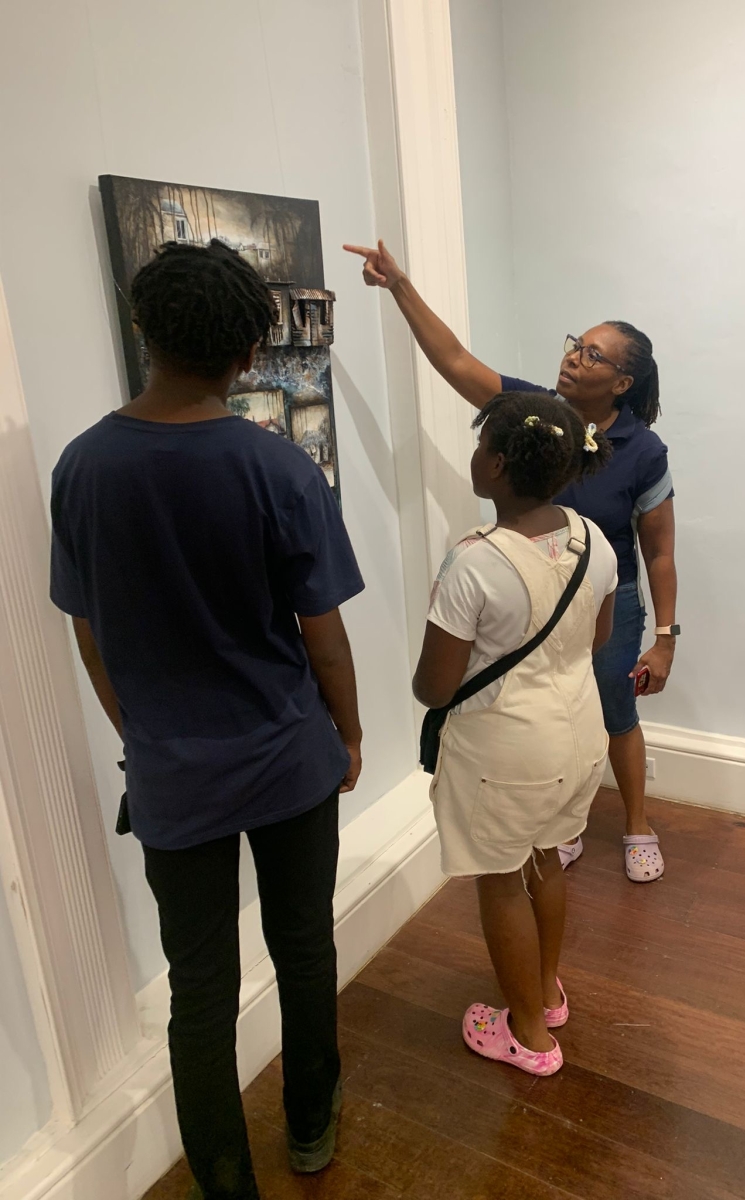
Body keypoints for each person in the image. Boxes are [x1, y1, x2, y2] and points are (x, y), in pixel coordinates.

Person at [50, 241, 364, 1200]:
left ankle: (226, 1182)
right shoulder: (278, 467)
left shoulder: (84, 467)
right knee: (304, 947)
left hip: (171, 770)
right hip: (284, 753)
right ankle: (310, 1131)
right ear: (246, 356)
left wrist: (138, 729)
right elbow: (323, 634)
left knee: (199, 989)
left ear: (142, 330)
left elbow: (90, 634)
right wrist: (348, 735)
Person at [347, 240, 676, 883]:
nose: (572, 359)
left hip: (601, 594)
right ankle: (559, 824)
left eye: (592, 355)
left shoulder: (643, 449)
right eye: (573, 344)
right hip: (523, 587)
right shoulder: (531, 410)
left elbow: (659, 550)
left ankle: (638, 822)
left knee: (611, 709)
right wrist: (399, 287)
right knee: (540, 706)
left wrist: (664, 637)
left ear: (622, 381)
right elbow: (454, 360)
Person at [414, 390, 618, 1075]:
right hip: (580, 732)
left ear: (497, 465)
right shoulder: (595, 540)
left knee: (501, 880)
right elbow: (600, 637)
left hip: (503, 749)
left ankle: (528, 1035)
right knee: (547, 857)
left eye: (479, 446)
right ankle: (548, 989)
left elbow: (434, 687)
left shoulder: (474, 561)